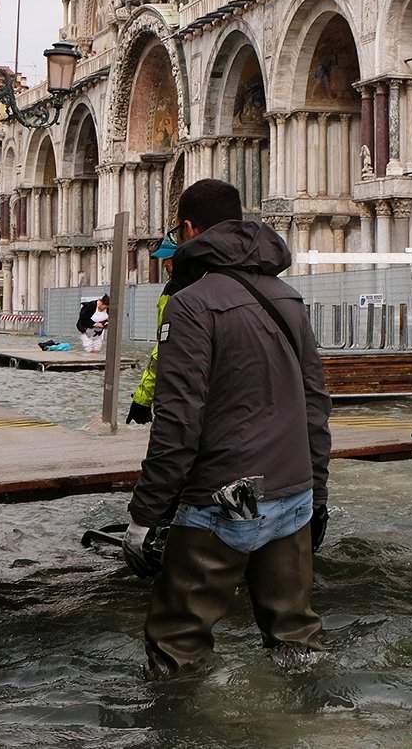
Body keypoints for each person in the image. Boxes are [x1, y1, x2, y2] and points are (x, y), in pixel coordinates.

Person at [126, 178, 330, 678]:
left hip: (222, 500)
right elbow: (315, 405)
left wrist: (144, 517)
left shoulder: (191, 304)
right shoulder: (287, 298)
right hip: (293, 494)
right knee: (295, 638)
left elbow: (178, 425)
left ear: (189, 229)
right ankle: (307, 720)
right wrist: (317, 492)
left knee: (179, 641)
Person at [125, 231, 181, 425]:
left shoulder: (174, 293)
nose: (165, 265)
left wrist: (142, 398)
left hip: (179, 394)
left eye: (169, 259)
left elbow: (163, 351)